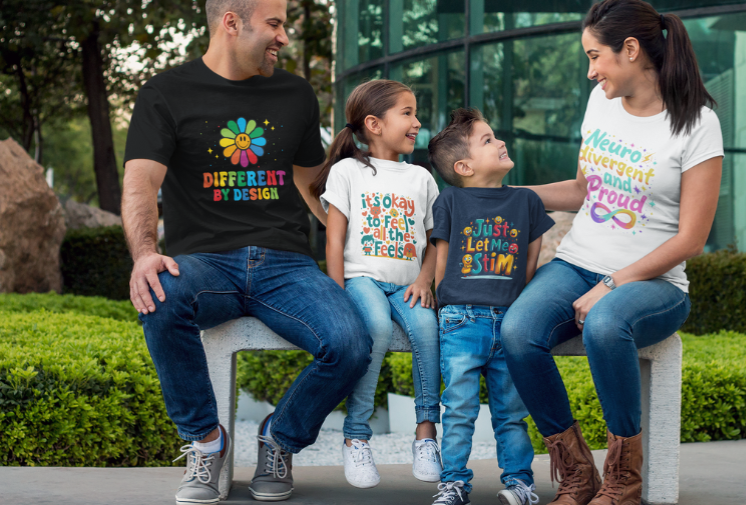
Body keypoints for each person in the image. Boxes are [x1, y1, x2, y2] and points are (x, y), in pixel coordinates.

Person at [121, 0, 371, 503]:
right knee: (160, 293)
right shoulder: (164, 93)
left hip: (286, 265)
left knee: (349, 343)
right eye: (275, 25)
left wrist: (360, 246)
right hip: (204, 264)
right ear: (232, 23)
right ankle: (207, 444)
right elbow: (141, 183)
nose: (283, 38)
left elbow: (308, 183)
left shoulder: (296, 93)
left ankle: (279, 438)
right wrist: (145, 253)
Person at [499, 1, 725, 504]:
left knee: (605, 325)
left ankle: (623, 478)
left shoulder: (698, 124)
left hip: (653, 284)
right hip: (577, 261)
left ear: (631, 50)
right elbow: (585, 190)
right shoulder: (602, 103)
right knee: (517, 331)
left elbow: (691, 238)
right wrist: (516, 195)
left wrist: (612, 283)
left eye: (595, 56)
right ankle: (578, 473)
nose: (590, 71)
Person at [314, 79, 443, 488]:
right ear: (373, 123)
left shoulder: (421, 177)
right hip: (362, 280)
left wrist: (426, 280)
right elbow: (334, 238)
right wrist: (337, 295)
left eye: (415, 113)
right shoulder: (346, 171)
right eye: (407, 113)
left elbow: (436, 240)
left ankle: (426, 435)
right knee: (378, 328)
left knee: (426, 329)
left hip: (408, 285)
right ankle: (356, 438)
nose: (416, 122)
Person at [427, 108, 555, 505]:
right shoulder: (450, 201)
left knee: (511, 414)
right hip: (461, 320)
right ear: (463, 166)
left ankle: (521, 484)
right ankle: (453, 484)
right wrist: (444, 309)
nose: (500, 141)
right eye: (487, 140)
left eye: (494, 136)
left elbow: (531, 264)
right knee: (459, 410)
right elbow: (442, 263)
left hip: (512, 322)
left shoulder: (527, 202)